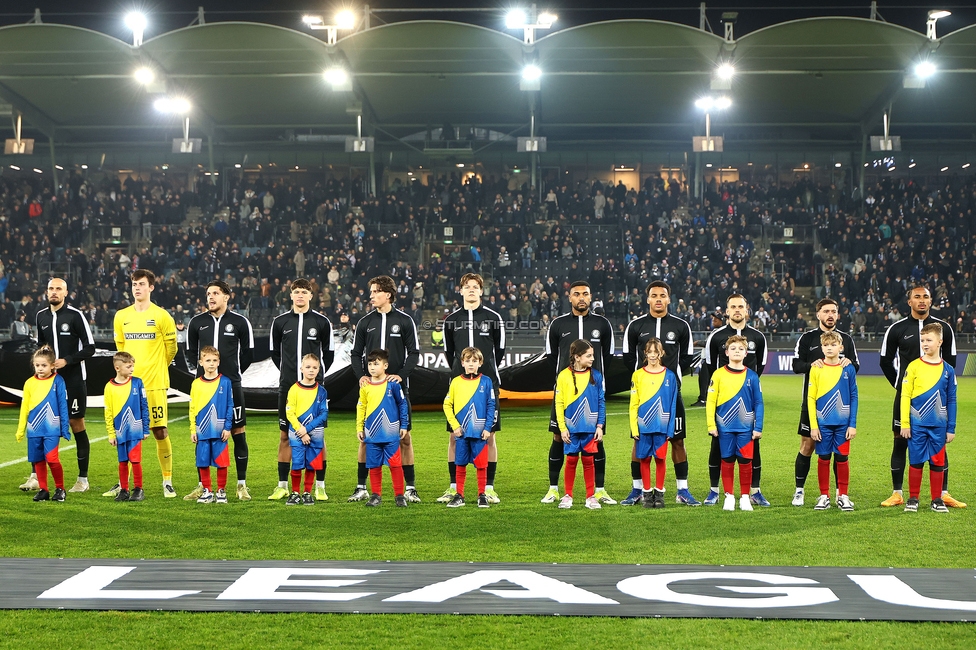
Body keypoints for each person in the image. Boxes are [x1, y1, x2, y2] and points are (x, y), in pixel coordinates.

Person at [879, 284, 963, 508]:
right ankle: (898, 493)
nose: (922, 300)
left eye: (926, 296)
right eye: (917, 297)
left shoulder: (943, 328)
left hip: (936, 399)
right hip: (906, 396)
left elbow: (951, 361)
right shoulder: (897, 329)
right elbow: (885, 361)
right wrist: (899, 385)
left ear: (931, 300)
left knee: (939, 444)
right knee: (900, 441)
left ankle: (942, 494)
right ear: (909, 302)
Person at [621, 281, 699, 506]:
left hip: (670, 395)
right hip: (645, 397)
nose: (657, 299)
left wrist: (669, 379)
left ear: (668, 299)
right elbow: (628, 358)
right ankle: (637, 490)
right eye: (653, 295)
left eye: (662, 295)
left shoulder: (681, 326)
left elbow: (686, 358)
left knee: (677, 440)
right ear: (647, 299)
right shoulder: (636, 326)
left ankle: (682, 490)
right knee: (638, 441)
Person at [541, 281, 616, 506]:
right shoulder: (558, 324)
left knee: (596, 438)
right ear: (570, 298)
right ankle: (554, 489)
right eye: (576, 294)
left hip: (593, 392)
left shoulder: (602, 324)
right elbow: (552, 356)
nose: (581, 297)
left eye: (585, 293)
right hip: (566, 392)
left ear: (590, 297)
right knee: (558, 437)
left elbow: (608, 357)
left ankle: (599, 490)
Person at [348, 276, 421, 503]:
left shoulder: (405, 321)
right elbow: (355, 354)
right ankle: (361, 487)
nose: (371, 296)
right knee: (364, 439)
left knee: (405, 438)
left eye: (375, 292)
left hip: (396, 392)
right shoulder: (364, 322)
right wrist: (361, 377)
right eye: (371, 292)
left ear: (388, 294)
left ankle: (410, 489)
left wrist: (401, 375)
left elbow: (414, 353)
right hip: (372, 392)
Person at [20, 278, 95, 494]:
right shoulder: (41, 316)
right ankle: (35, 476)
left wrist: (67, 360)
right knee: (40, 425)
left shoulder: (75, 315)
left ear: (66, 292)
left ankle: (82, 479)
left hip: (72, 381)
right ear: (47, 292)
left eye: (58, 289)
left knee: (76, 423)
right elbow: (41, 346)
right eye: (51, 288)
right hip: (48, 382)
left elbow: (90, 348)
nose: (54, 292)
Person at [184, 280, 256, 501]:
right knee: (203, 434)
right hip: (204, 388)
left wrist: (232, 374)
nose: (211, 297)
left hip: (231, 386)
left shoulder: (240, 322)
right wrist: (202, 375)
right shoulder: (197, 323)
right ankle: (202, 486)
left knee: (237, 433)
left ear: (227, 296)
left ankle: (241, 485)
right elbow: (189, 353)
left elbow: (248, 354)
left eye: (216, 293)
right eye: (208, 293)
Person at [111, 269, 178, 498]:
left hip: (155, 383)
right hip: (128, 386)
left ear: (151, 287)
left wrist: (159, 367)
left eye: (141, 284)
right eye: (134, 284)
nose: (137, 288)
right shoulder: (122, 316)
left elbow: (172, 349)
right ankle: (123, 484)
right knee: (126, 434)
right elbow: (121, 351)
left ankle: (167, 481)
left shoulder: (162, 316)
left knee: (159, 430)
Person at [440, 273, 505, 505]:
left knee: (489, 437)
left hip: (486, 384)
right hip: (460, 387)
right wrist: (461, 369)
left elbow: (500, 351)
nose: (471, 290)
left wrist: (483, 371)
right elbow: (450, 353)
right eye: (466, 287)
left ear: (481, 291)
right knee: (454, 437)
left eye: (475, 287)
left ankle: (488, 487)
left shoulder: (494, 318)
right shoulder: (451, 320)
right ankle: (453, 487)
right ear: (460, 291)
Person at [701, 294, 771, 507]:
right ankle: (715, 491)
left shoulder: (757, 337)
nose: (737, 310)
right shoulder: (716, 336)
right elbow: (709, 365)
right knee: (718, 448)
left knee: (752, 449)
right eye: (733, 307)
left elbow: (761, 366)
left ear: (747, 310)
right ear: (727, 310)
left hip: (746, 404)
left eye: (741, 306)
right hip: (723, 404)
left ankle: (754, 491)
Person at [789, 298, 859, 507]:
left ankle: (839, 494)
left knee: (839, 450)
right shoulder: (808, 338)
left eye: (834, 311)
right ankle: (799, 490)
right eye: (826, 311)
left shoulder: (846, 339)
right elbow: (796, 365)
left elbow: (855, 365)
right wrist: (813, 364)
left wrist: (848, 362)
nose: (830, 315)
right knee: (808, 445)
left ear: (838, 315)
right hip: (813, 403)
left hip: (840, 407)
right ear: (818, 314)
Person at [268, 279, 334, 501]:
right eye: (296, 292)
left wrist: (314, 376)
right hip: (288, 387)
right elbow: (275, 354)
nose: (300, 295)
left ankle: (320, 486)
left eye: (304, 292)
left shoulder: (322, 322)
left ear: (310, 296)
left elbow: (329, 354)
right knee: (285, 435)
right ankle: (282, 485)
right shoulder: (280, 322)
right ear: (290, 295)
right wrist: (290, 375)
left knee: (318, 437)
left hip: (315, 391)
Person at [899, 323, 957, 513]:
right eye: (922, 340)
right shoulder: (913, 366)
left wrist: (951, 428)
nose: (924, 343)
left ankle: (937, 499)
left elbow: (952, 400)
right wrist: (905, 423)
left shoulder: (948, 370)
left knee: (938, 462)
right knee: (915, 461)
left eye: (929, 340)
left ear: (940, 342)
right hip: (917, 426)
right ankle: (913, 498)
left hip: (939, 427)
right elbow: (905, 395)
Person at [706, 335, 764, 512]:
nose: (737, 351)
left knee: (746, 462)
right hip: (725, 428)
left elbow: (758, 403)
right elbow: (710, 402)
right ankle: (729, 496)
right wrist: (711, 425)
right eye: (733, 349)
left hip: (746, 428)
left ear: (746, 353)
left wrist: (758, 426)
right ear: (726, 352)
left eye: (740, 349)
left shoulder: (752, 376)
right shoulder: (718, 374)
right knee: (727, 460)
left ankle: (745, 497)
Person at [807, 331, 858, 512]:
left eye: (833, 345)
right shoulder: (816, 368)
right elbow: (810, 398)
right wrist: (814, 425)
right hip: (822, 424)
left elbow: (854, 397)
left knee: (842, 458)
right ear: (822, 347)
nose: (829, 348)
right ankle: (824, 496)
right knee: (824, 457)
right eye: (826, 345)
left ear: (841, 347)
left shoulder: (848, 368)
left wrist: (852, 424)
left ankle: (843, 496)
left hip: (843, 424)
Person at [554, 339, 606, 510]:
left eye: (593, 355)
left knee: (589, 461)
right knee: (570, 460)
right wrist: (562, 428)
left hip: (590, 429)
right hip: (571, 429)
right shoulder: (563, 376)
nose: (592, 359)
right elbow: (559, 403)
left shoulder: (596, 376)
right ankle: (568, 495)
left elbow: (601, 402)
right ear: (577, 357)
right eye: (588, 355)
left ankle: (590, 497)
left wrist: (599, 426)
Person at [442, 347, 496, 509]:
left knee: (481, 465)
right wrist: (455, 426)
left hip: (480, 433)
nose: (471, 364)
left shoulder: (486, 382)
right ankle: (459, 495)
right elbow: (447, 404)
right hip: (462, 433)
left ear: (480, 363)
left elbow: (491, 405)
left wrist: (487, 428)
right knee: (460, 464)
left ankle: (482, 495)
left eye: (474, 361)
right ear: (462, 363)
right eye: (467, 361)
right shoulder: (456, 382)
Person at [629, 338, 680, 509]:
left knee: (660, 459)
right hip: (643, 427)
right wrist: (633, 427)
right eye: (649, 352)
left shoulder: (670, 376)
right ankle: (646, 493)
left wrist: (670, 428)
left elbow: (673, 404)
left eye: (655, 352)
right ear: (645, 353)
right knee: (644, 459)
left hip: (661, 426)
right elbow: (633, 404)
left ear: (661, 353)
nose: (652, 355)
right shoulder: (638, 375)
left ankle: (659, 494)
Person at [16, 346, 71, 502]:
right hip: (34, 429)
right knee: (38, 460)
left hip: (52, 428)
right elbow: (24, 408)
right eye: (37, 365)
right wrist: (21, 429)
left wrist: (64, 428)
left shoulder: (58, 381)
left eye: (44, 365)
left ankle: (60, 489)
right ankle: (44, 490)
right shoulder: (29, 383)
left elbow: (62, 405)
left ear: (52, 365)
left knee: (52, 458)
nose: (40, 368)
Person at [356, 349, 410, 508]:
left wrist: (404, 425)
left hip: (391, 433)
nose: (372, 367)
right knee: (374, 465)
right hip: (372, 433)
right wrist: (360, 427)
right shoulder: (365, 385)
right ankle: (375, 495)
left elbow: (402, 404)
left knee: (395, 464)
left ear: (385, 365)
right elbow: (361, 406)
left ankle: (399, 496)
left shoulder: (393, 384)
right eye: (370, 364)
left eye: (376, 363)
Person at [189, 346, 235, 505]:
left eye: (214, 360)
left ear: (219, 362)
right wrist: (193, 429)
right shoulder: (196, 384)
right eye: (208, 360)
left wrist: (228, 427)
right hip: (202, 430)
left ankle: (221, 491)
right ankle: (207, 491)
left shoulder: (226, 382)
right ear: (201, 362)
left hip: (220, 430)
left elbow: (230, 405)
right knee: (203, 461)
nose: (211, 363)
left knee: (222, 462)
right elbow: (193, 408)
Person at [103, 351, 150, 502]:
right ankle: (124, 490)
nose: (132, 369)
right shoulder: (109, 387)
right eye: (129, 366)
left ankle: (138, 489)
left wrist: (146, 428)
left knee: (135, 460)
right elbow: (108, 411)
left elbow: (144, 406)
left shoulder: (137, 383)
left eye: (132, 366)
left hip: (135, 429)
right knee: (123, 461)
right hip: (120, 431)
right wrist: (111, 433)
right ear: (118, 368)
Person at [285, 354, 330, 506]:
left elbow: (324, 413)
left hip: (315, 433)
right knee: (297, 463)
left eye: (315, 367)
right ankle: (295, 493)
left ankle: (307, 493)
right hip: (297, 433)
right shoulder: (294, 389)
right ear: (301, 368)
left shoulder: (322, 391)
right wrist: (300, 430)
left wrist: (308, 429)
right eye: (308, 367)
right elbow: (290, 413)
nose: (311, 370)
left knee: (312, 464)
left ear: (318, 370)